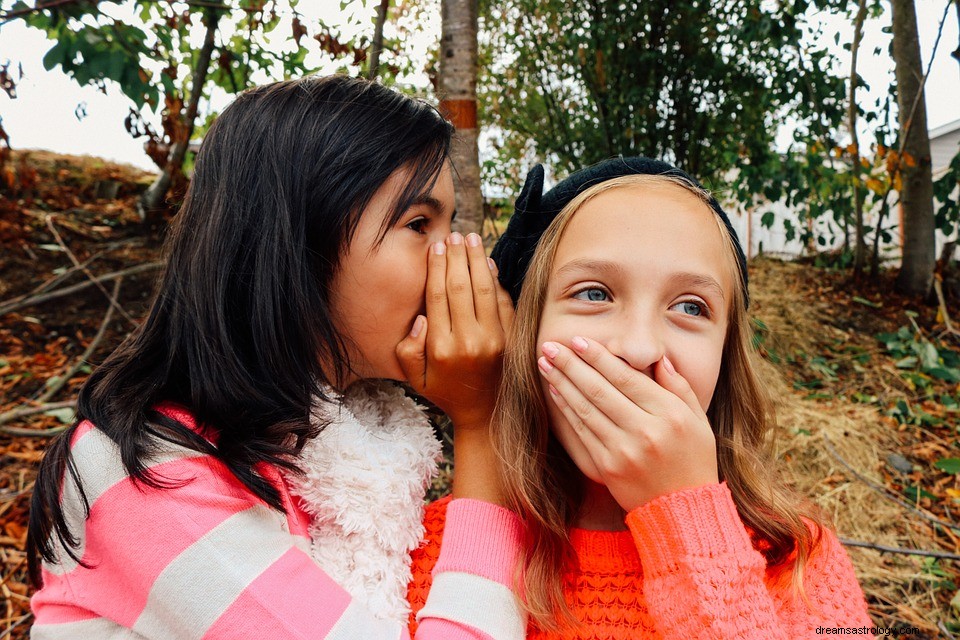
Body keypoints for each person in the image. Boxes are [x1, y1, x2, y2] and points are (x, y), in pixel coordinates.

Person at [27, 75, 526, 639]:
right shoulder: (140, 473)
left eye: (452, 226)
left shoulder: (338, 442)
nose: (455, 262)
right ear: (297, 244)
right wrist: (483, 425)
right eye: (419, 225)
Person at [408, 157, 874, 639]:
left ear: (726, 355)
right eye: (593, 294)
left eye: (690, 306)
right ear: (524, 330)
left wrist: (688, 522)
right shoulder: (426, 552)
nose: (638, 349)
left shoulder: (804, 560)